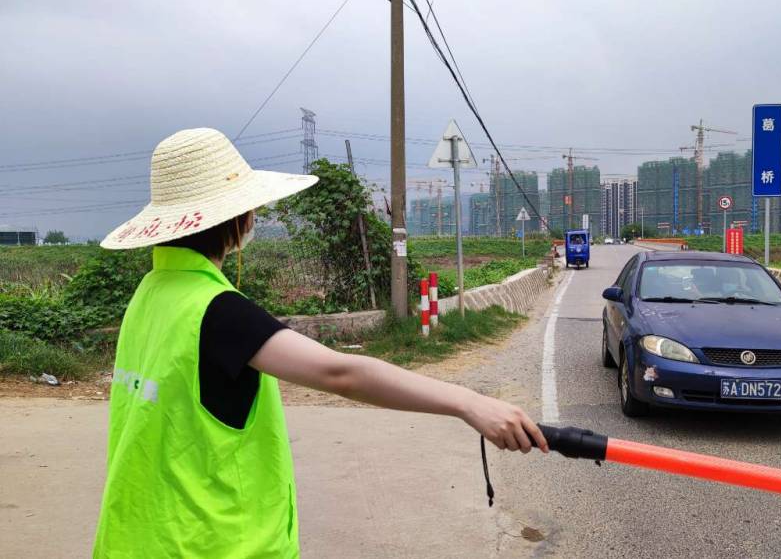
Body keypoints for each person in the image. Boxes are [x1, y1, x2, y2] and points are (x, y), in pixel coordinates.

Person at [92, 128, 548, 558]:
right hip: (210, 544)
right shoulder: (217, 311)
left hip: (135, 539)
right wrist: (468, 402)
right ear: (238, 218)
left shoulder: (150, 295)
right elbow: (341, 373)